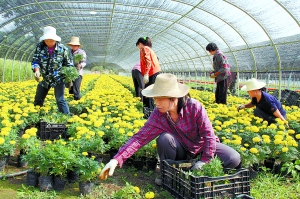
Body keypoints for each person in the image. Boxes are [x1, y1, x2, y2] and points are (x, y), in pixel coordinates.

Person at [100, 73, 241, 186]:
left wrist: (205, 160)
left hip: (201, 147)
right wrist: (116, 160)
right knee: (164, 139)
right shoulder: (158, 114)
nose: (156, 103)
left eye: (160, 99)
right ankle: (168, 177)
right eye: (155, 99)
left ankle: (206, 174)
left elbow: (209, 135)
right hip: (181, 149)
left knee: (233, 158)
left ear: (174, 98)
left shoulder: (194, 107)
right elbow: (139, 138)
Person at [32, 26, 73, 114]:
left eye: (51, 40)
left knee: (60, 100)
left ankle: (67, 119)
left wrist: (69, 78)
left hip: (58, 78)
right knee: (38, 99)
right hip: (45, 78)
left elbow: (68, 65)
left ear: (55, 40)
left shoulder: (63, 49)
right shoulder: (40, 47)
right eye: (47, 40)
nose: (49, 42)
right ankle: (36, 118)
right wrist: (37, 70)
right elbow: (35, 60)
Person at [136, 37, 161, 111]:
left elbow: (148, 61)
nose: (138, 47)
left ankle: (149, 113)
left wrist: (146, 73)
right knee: (148, 92)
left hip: (152, 72)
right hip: (153, 72)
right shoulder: (148, 49)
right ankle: (150, 111)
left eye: (138, 45)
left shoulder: (145, 48)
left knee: (148, 93)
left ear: (140, 44)